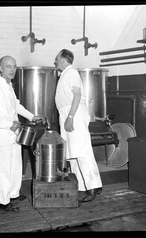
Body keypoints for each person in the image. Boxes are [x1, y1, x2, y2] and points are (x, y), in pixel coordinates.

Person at [0, 55, 44, 212]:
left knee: (15, 166)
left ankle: (12, 194)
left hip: (14, 135)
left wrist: (32, 116)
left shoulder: (8, 86)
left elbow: (16, 106)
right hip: (2, 135)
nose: (12, 70)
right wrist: (9, 124)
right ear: (0, 68)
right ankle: (2, 200)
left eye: (14, 66)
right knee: (3, 169)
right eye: (8, 66)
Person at [54, 49, 103, 202]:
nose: (55, 61)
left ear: (63, 59)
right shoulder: (65, 74)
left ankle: (94, 186)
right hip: (67, 114)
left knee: (81, 150)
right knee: (73, 153)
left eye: (57, 58)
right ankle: (81, 186)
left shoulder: (71, 72)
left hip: (72, 113)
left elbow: (77, 95)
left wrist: (70, 117)